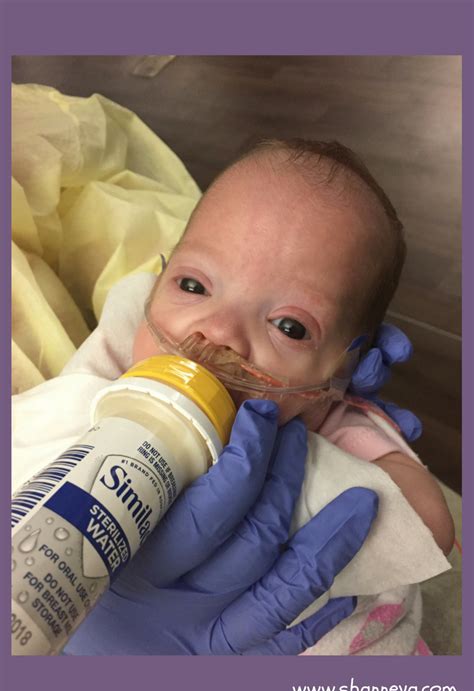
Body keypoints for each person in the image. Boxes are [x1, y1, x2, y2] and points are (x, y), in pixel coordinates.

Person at [12, 138, 453, 655]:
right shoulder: (123, 357)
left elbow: (429, 523)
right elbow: (36, 429)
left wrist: (343, 441)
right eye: (193, 286)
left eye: (289, 326)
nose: (218, 331)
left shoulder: (322, 423)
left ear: (339, 377)